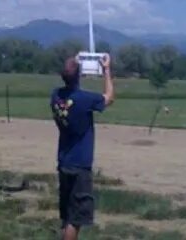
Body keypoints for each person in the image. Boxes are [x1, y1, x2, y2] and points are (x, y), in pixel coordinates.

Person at [50, 53, 114, 239]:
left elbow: (70, 83)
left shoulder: (56, 96)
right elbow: (109, 98)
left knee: (67, 214)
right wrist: (106, 70)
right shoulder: (85, 99)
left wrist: (73, 61)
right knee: (75, 218)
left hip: (64, 161)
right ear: (79, 75)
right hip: (80, 165)